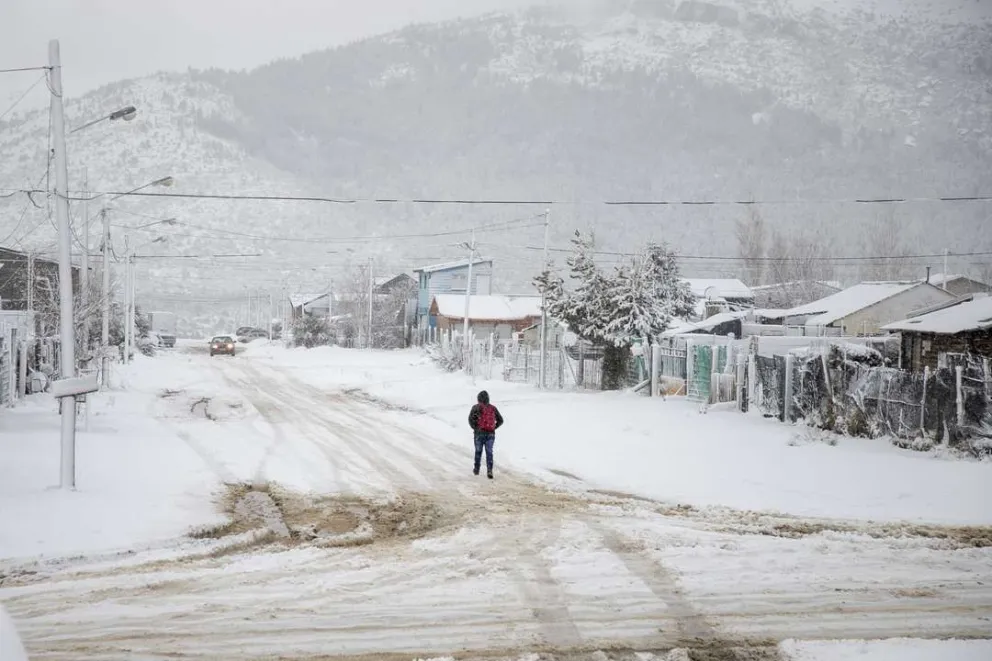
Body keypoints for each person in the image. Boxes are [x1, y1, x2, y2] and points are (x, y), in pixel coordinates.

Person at [468, 390, 503, 479]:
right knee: (489, 452)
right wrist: (493, 428)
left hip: (479, 434)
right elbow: (501, 420)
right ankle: (490, 470)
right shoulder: (493, 408)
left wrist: (475, 428)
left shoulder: (475, 407)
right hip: (490, 434)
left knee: (478, 452)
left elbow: (470, 419)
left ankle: (476, 469)